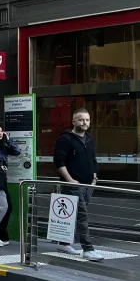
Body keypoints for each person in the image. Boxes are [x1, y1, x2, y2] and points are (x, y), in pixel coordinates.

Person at [53, 108, 104, 261]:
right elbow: (58, 161)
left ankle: (63, 243)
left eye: (87, 120)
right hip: (73, 184)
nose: (84, 122)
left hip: (88, 184)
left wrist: (94, 178)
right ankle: (88, 249)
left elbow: (93, 160)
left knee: (75, 214)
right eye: (81, 120)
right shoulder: (66, 138)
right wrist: (69, 179)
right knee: (82, 216)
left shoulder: (90, 139)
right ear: (73, 121)